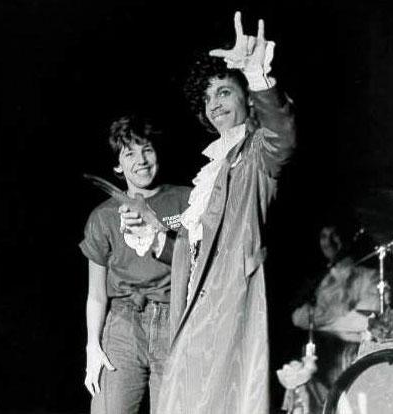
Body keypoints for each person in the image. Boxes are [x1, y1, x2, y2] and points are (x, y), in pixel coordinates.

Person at [120, 11, 295, 413]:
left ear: (245, 97)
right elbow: (197, 253)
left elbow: (281, 138)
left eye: (223, 92)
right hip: (198, 309)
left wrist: (258, 77)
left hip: (231, 307)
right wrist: (152, 234)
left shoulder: (255, 151)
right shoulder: (215, 165)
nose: (213, 104)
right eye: (207, 96)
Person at [79, 115, 191, 413]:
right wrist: (93, 346)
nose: (141, 160)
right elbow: (96, 294)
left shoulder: (186, 200)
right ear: (117, 165)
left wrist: (157, 234)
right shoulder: (103, 216)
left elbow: (200, 264)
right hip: (123, 327)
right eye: (130, 153)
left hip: (174, 322)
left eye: (148, 150)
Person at [286, 221, 379, 412]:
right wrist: (343, 316)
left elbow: (366, 319)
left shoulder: (369, 277)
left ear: (346, 238)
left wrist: (321, 321)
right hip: (319, 361)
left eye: (334, 235)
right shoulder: (318, 279)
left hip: (351, 359)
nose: (328, 242)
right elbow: (298, 318)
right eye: (323, 237)